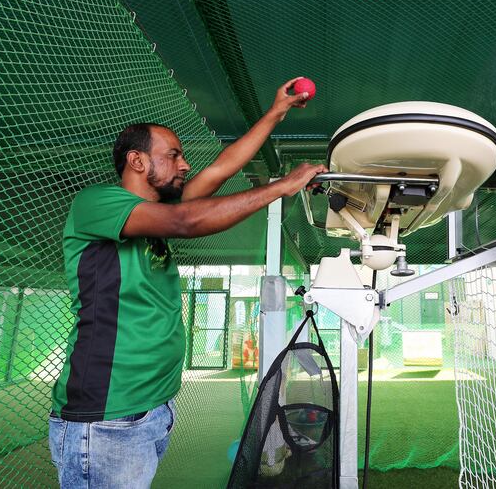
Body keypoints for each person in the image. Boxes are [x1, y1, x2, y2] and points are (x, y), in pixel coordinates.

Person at [48, 78, 326, 488]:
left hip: (150, 410)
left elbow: (220, 169)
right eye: (174, 155)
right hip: (107, 419)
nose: (184, 165)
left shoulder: (153, 210)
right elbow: (188, 221)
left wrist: (275, 112)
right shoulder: (98, 204)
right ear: (137, 161)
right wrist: (282, 186)